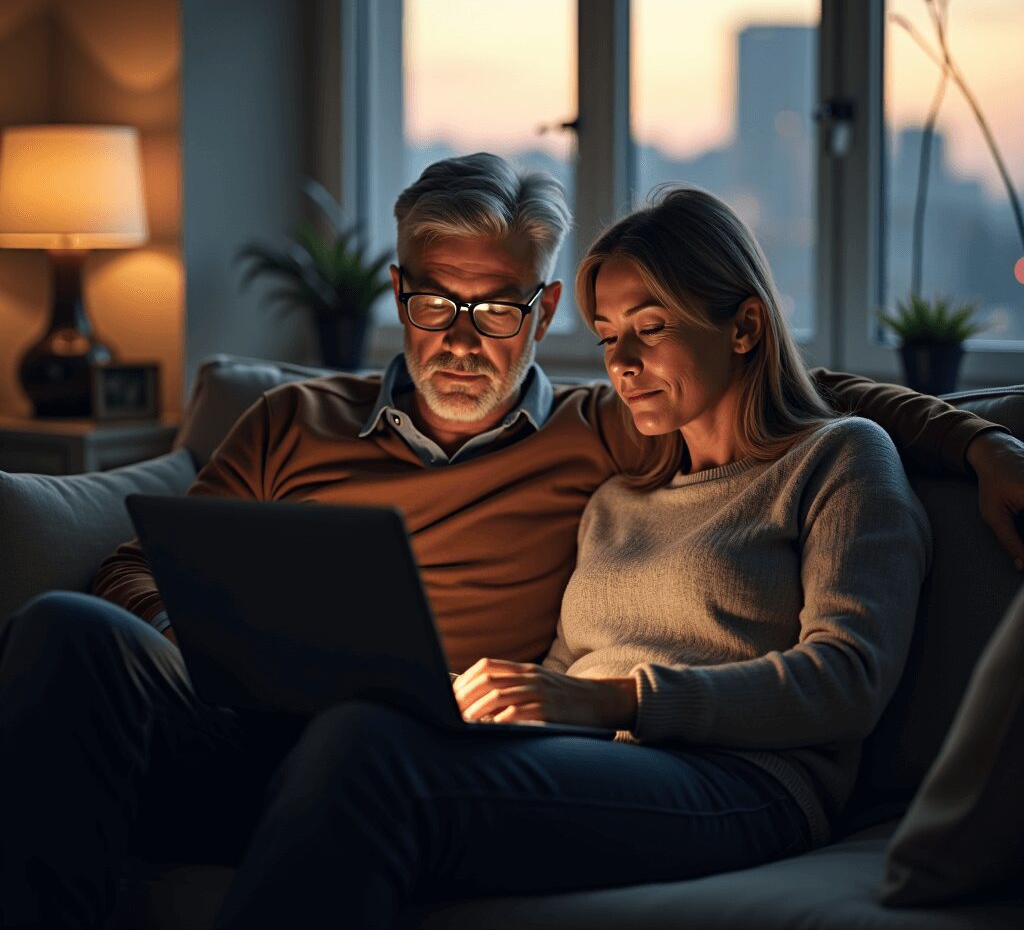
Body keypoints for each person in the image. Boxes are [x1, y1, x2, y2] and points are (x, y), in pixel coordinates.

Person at [0, 156, 1021, 929]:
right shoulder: (610, 476)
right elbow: (145, 560)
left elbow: (804, 403)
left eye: (493, 308)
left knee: (365, 740)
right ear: (397, 293)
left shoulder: (640, 439)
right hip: (287, 728)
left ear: (541, 312)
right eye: (436, 302)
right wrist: (202, 634)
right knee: (66, 628)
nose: (458, 335)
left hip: (663, 761)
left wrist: (977, 441)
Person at [211, 186, 933, 927]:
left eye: (651, 328)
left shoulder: (840, 457)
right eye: (608, 335)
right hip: (601, 760)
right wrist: (480, 706)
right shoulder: (619, 497)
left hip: (742, 779)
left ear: (745, 326)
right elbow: (563, 671)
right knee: (359, 726)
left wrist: (619, 699)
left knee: (368, 751)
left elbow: (849, 680)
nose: (621, 362)